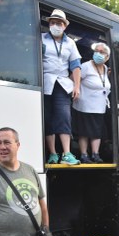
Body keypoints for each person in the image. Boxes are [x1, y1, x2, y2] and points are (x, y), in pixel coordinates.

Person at [42, 9, 81, 165]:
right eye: (52, 23)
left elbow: (76, 66)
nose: (55, 25)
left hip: (62, 84)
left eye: (59, 23)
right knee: (47, 118)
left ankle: (66, 153)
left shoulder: (70, 43)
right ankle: (52, 153)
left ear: (64, 26)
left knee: (64, 116)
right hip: (45, 82)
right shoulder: (41, 39)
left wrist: (77, 86)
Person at [72, 42, 111, 164]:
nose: (98, 54)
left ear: (107, 57)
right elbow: (74, 79)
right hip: (85, 105)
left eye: (101, 52)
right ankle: (84, 155)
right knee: (84, 132)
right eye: (96, 51)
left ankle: (95, 154)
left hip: (99, 106)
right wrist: (77, 90)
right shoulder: (85, 66)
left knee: (97, 132)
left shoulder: (105, 69)